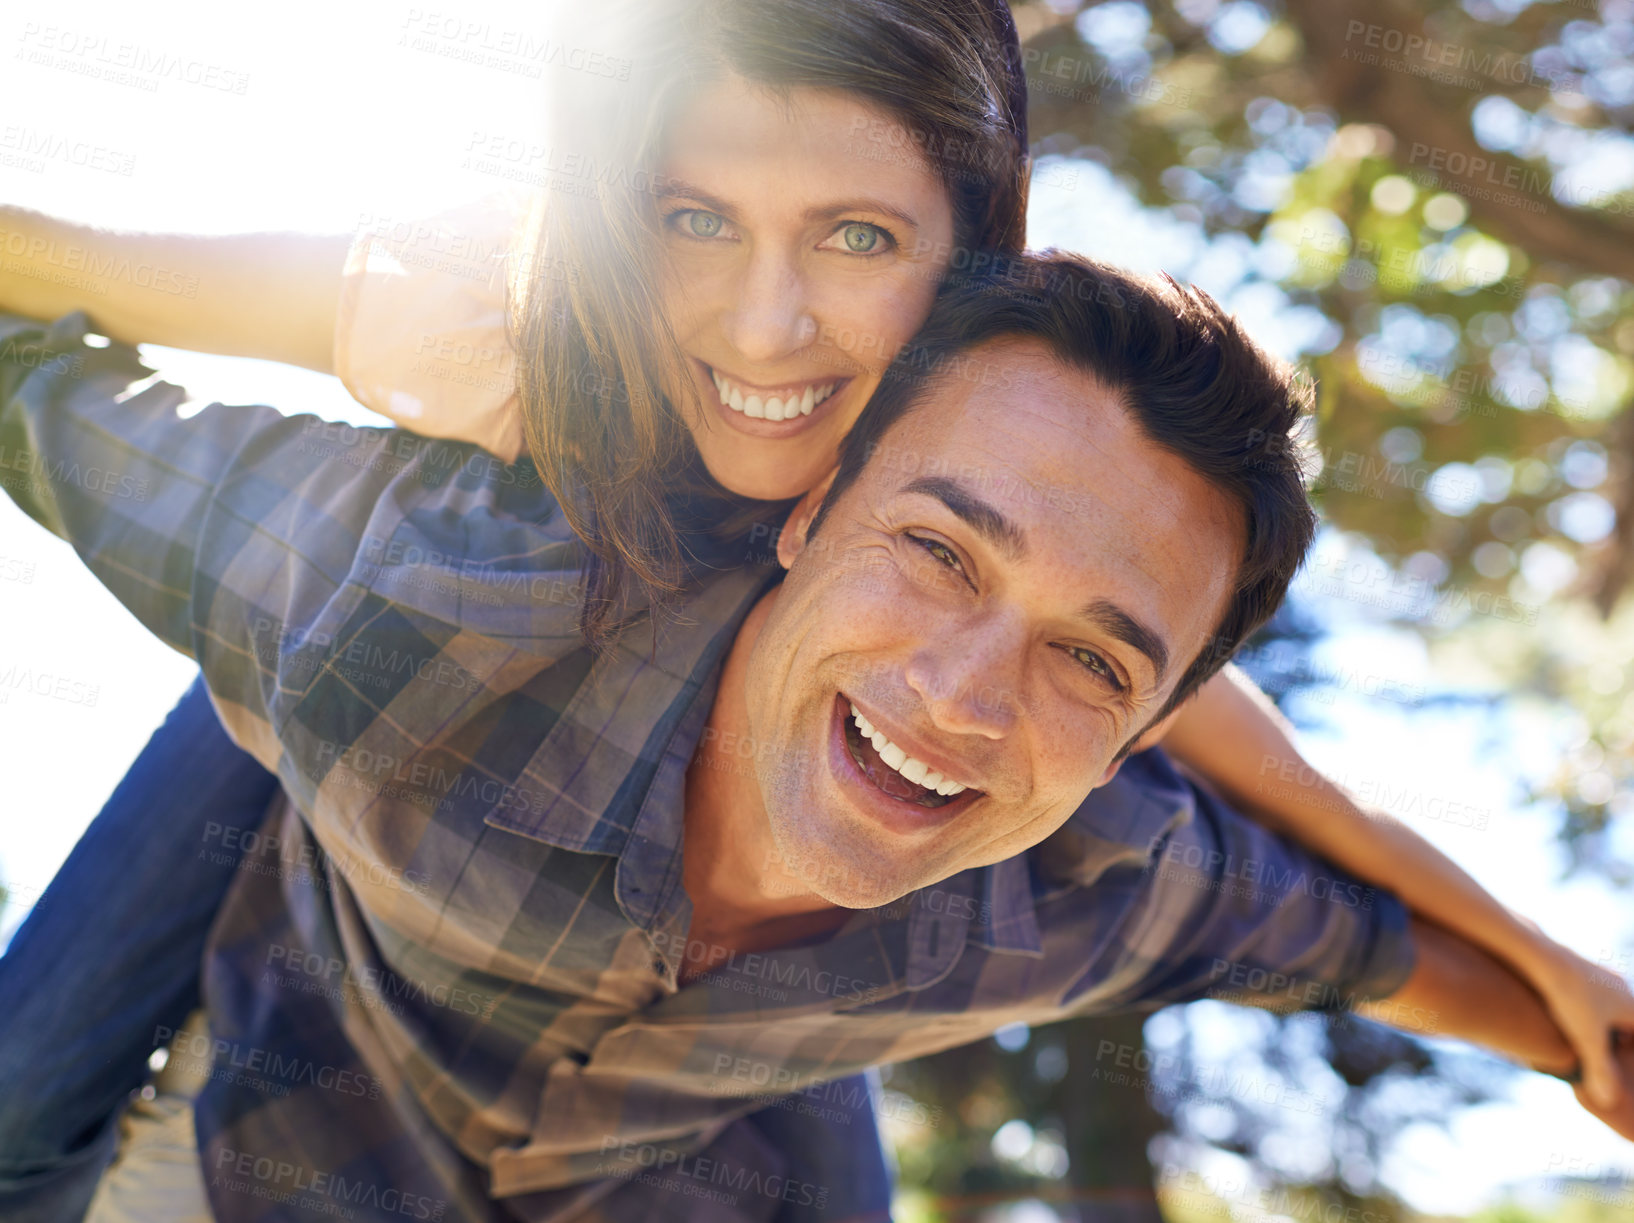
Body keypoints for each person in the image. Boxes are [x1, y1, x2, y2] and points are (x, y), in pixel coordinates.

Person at [0, 0, 1627, 1212]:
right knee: (37, 1077)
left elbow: (1292, 816)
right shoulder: (494, 360)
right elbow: (73, 319)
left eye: (857, 237)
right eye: (694, 219)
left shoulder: (1030, 493)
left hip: (752, 955)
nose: (766, 327)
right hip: (389, 692)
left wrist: (1570, 997)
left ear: (969, 265)